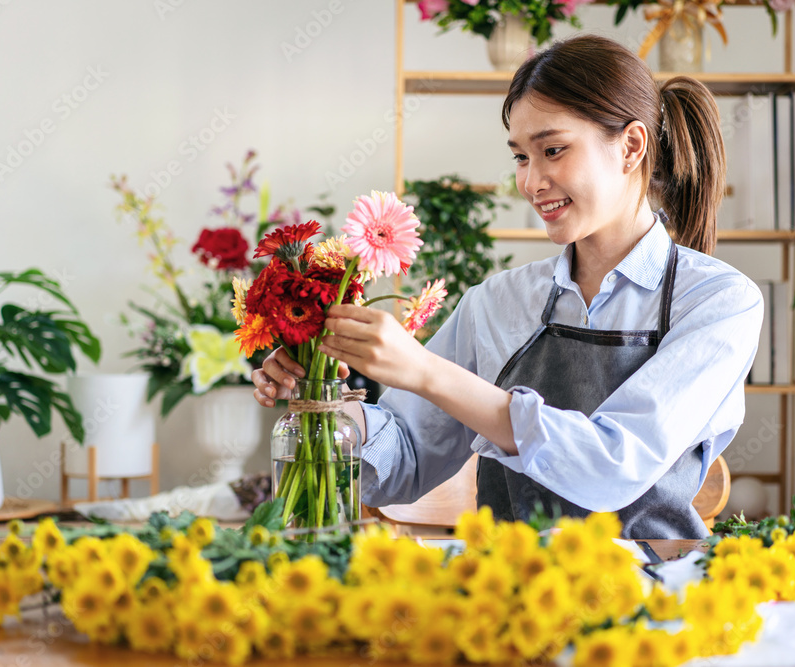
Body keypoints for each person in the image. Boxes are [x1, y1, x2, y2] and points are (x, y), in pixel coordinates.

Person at [252, 35, 763, 539]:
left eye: (553, 150)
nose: (531, 182)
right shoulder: (495, 303)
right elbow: (406, 457)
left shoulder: (717, 302)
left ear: (631, 146)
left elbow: (614, 464)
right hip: (506, 599)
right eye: (521, 157)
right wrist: (325, 405)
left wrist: (426, 370)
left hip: (653, 602)